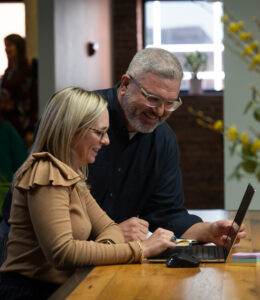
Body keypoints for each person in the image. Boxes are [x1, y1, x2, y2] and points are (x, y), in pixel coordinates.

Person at [0, 48, 246, 265]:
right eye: (152, 99)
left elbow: (166, 213)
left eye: (170, 103)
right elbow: (58, 245)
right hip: (38, 266)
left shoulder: (163, 140)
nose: (160, 112)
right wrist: (129, 244)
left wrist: (207, 231)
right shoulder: (76, 120)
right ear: (126, 84)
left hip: (101, 260)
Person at [0, 87, 176, 299]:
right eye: (99, 132)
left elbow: (110, 227)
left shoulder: (70, 176)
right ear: (72, 130)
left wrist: (98, 249)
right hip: (28, 292)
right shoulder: (47, 172)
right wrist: (140, 249)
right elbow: (63, 253)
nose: (106, 141)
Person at [0, 34, 38, 148]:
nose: (6, 49)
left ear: (18, 47)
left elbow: (34, 98)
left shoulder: (28, 70)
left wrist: (31, 129)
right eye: (5, 46)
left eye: (10, 45)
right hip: (6, 123)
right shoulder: (8, 72)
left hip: (22, 125)